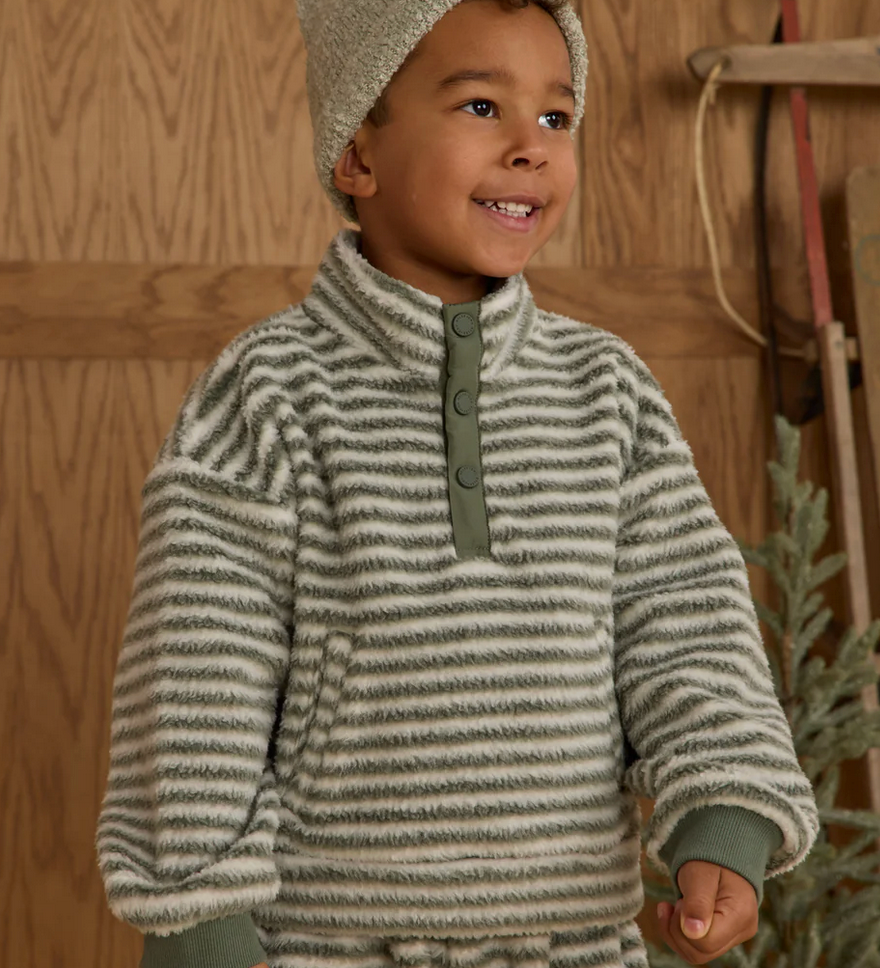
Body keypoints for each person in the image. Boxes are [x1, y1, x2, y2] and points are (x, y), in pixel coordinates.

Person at [94, 1, 820, 967]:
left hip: (580, 948)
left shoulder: (608, 391)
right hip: (323, 949)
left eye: (557, 118)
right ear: (359, 155)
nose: (531, 147)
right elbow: (193, 681)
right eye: (483, 107)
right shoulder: (264, 396)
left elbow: (686, 620)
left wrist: (725, 813)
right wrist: (196, 919)